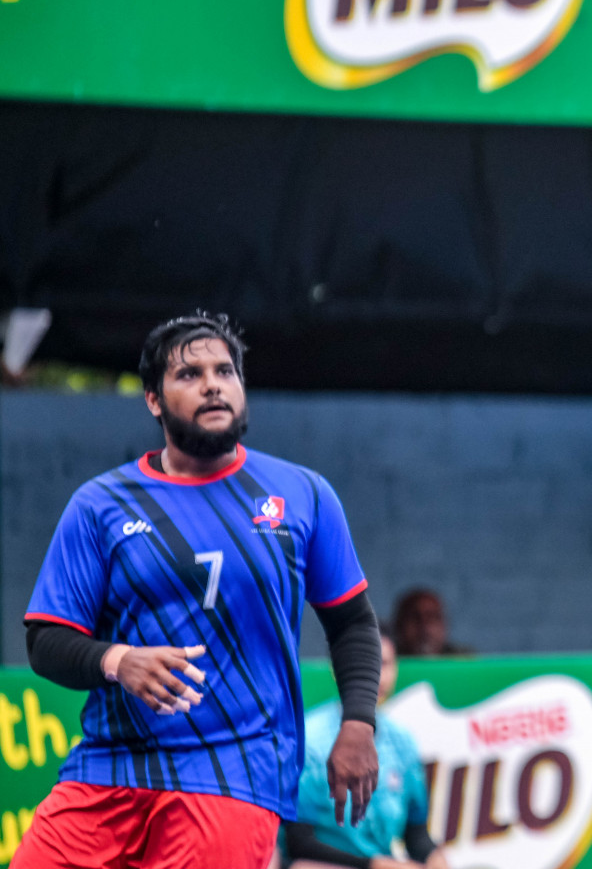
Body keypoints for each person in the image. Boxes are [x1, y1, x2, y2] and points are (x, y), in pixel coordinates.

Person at [16, 312, 380, 869]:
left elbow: (352, 622)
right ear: (153, 401)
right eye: (189, 374)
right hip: (108, 767)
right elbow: (45, 640)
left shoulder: (304, 495)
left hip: (231, 771)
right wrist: (118, 660)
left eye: (226, 371)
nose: (213, 383)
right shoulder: (100, 505)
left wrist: (358, 722)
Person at [288, 631, 447, 869]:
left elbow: (416, 836)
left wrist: (435, 859)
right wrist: (373, 865)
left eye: (384, 664)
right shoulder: (311, 740)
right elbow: (296, 842)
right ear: (336, 669)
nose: (375, 676)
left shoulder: (403, 742)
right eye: (365, 663)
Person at [391, 589, 470, 657]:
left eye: (432, 617)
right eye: (415, 618)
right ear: (398, 625)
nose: (424, 625)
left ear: (445, 625)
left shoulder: (465, 660)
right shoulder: (383, 662)